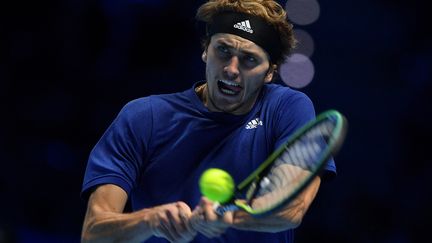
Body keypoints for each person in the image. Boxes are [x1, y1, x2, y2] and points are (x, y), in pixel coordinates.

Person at [80, 0, 336, 242]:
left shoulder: (286, 108)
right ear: (205, 50)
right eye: (223, 50)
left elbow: (291, 208)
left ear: (270, 72)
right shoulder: (142, 117)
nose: (232, 69)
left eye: (249, 59)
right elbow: (94, 233)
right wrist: (149, 220)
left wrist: (230, 215)